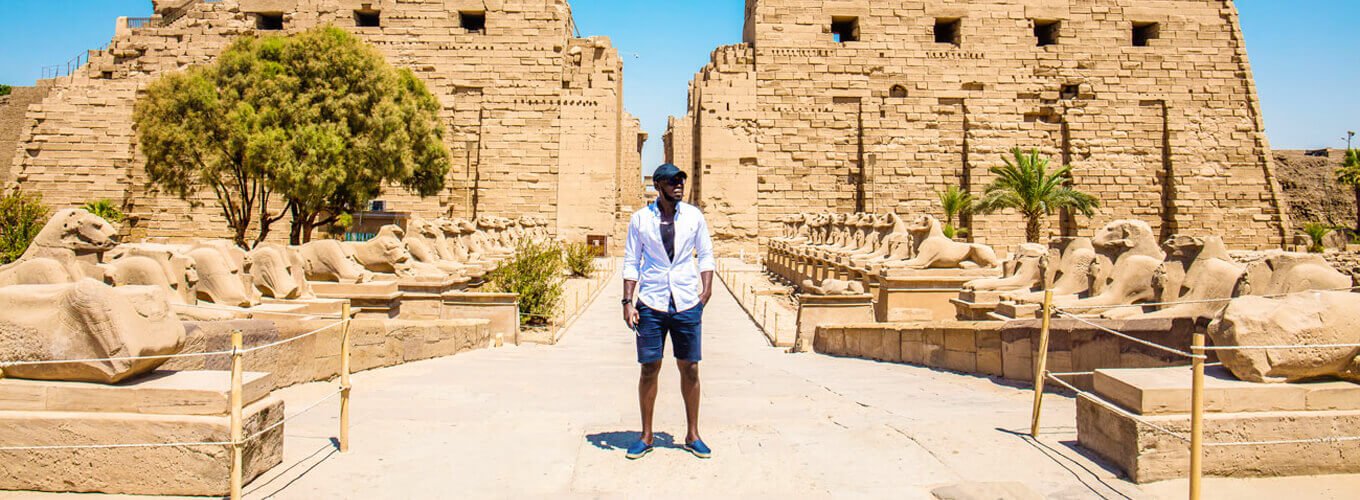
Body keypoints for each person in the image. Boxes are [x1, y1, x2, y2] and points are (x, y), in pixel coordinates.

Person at [621, 163, 715, 460]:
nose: (679, 186)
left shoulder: (694, 216)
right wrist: (627, 301)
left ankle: (693, 434)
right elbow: (631, 261)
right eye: (673, 182)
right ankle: (646, 435)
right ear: (658, 186)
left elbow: (706, 255)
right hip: (652, 300)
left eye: (681, 181)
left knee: (690, 367)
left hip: (687, 300)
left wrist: (706, 291)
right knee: (649, 367)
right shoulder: (640, 220)